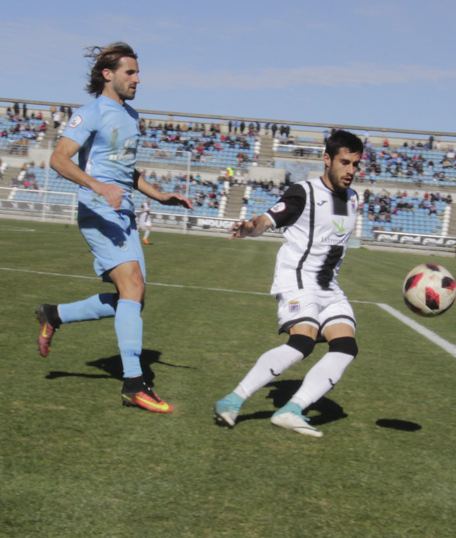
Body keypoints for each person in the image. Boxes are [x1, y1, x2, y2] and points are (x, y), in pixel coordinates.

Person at [33, 42, 193, 413]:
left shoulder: (133, 116)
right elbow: (58, 159)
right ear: (109, 74)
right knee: (133, 288)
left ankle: (54, 314)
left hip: (124, 212)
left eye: (138, 72)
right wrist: (99, 186)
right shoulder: (90, 113)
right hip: (98, 208)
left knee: (132, 299)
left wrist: (158, 194)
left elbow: (126, 169)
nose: (138, 79)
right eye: (130, 72)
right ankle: (135, 383)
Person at [213, 130, 365, 437]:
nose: (350, 171)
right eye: (344, 162)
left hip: (328, 286)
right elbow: (269, 220)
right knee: (303, 343)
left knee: (346, 346)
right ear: (327, 159)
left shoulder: (353, 199)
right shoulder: (303, 192)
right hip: (297, 279)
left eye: (355, 165)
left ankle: (292, 409)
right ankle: (232, 400)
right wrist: (250, 228)